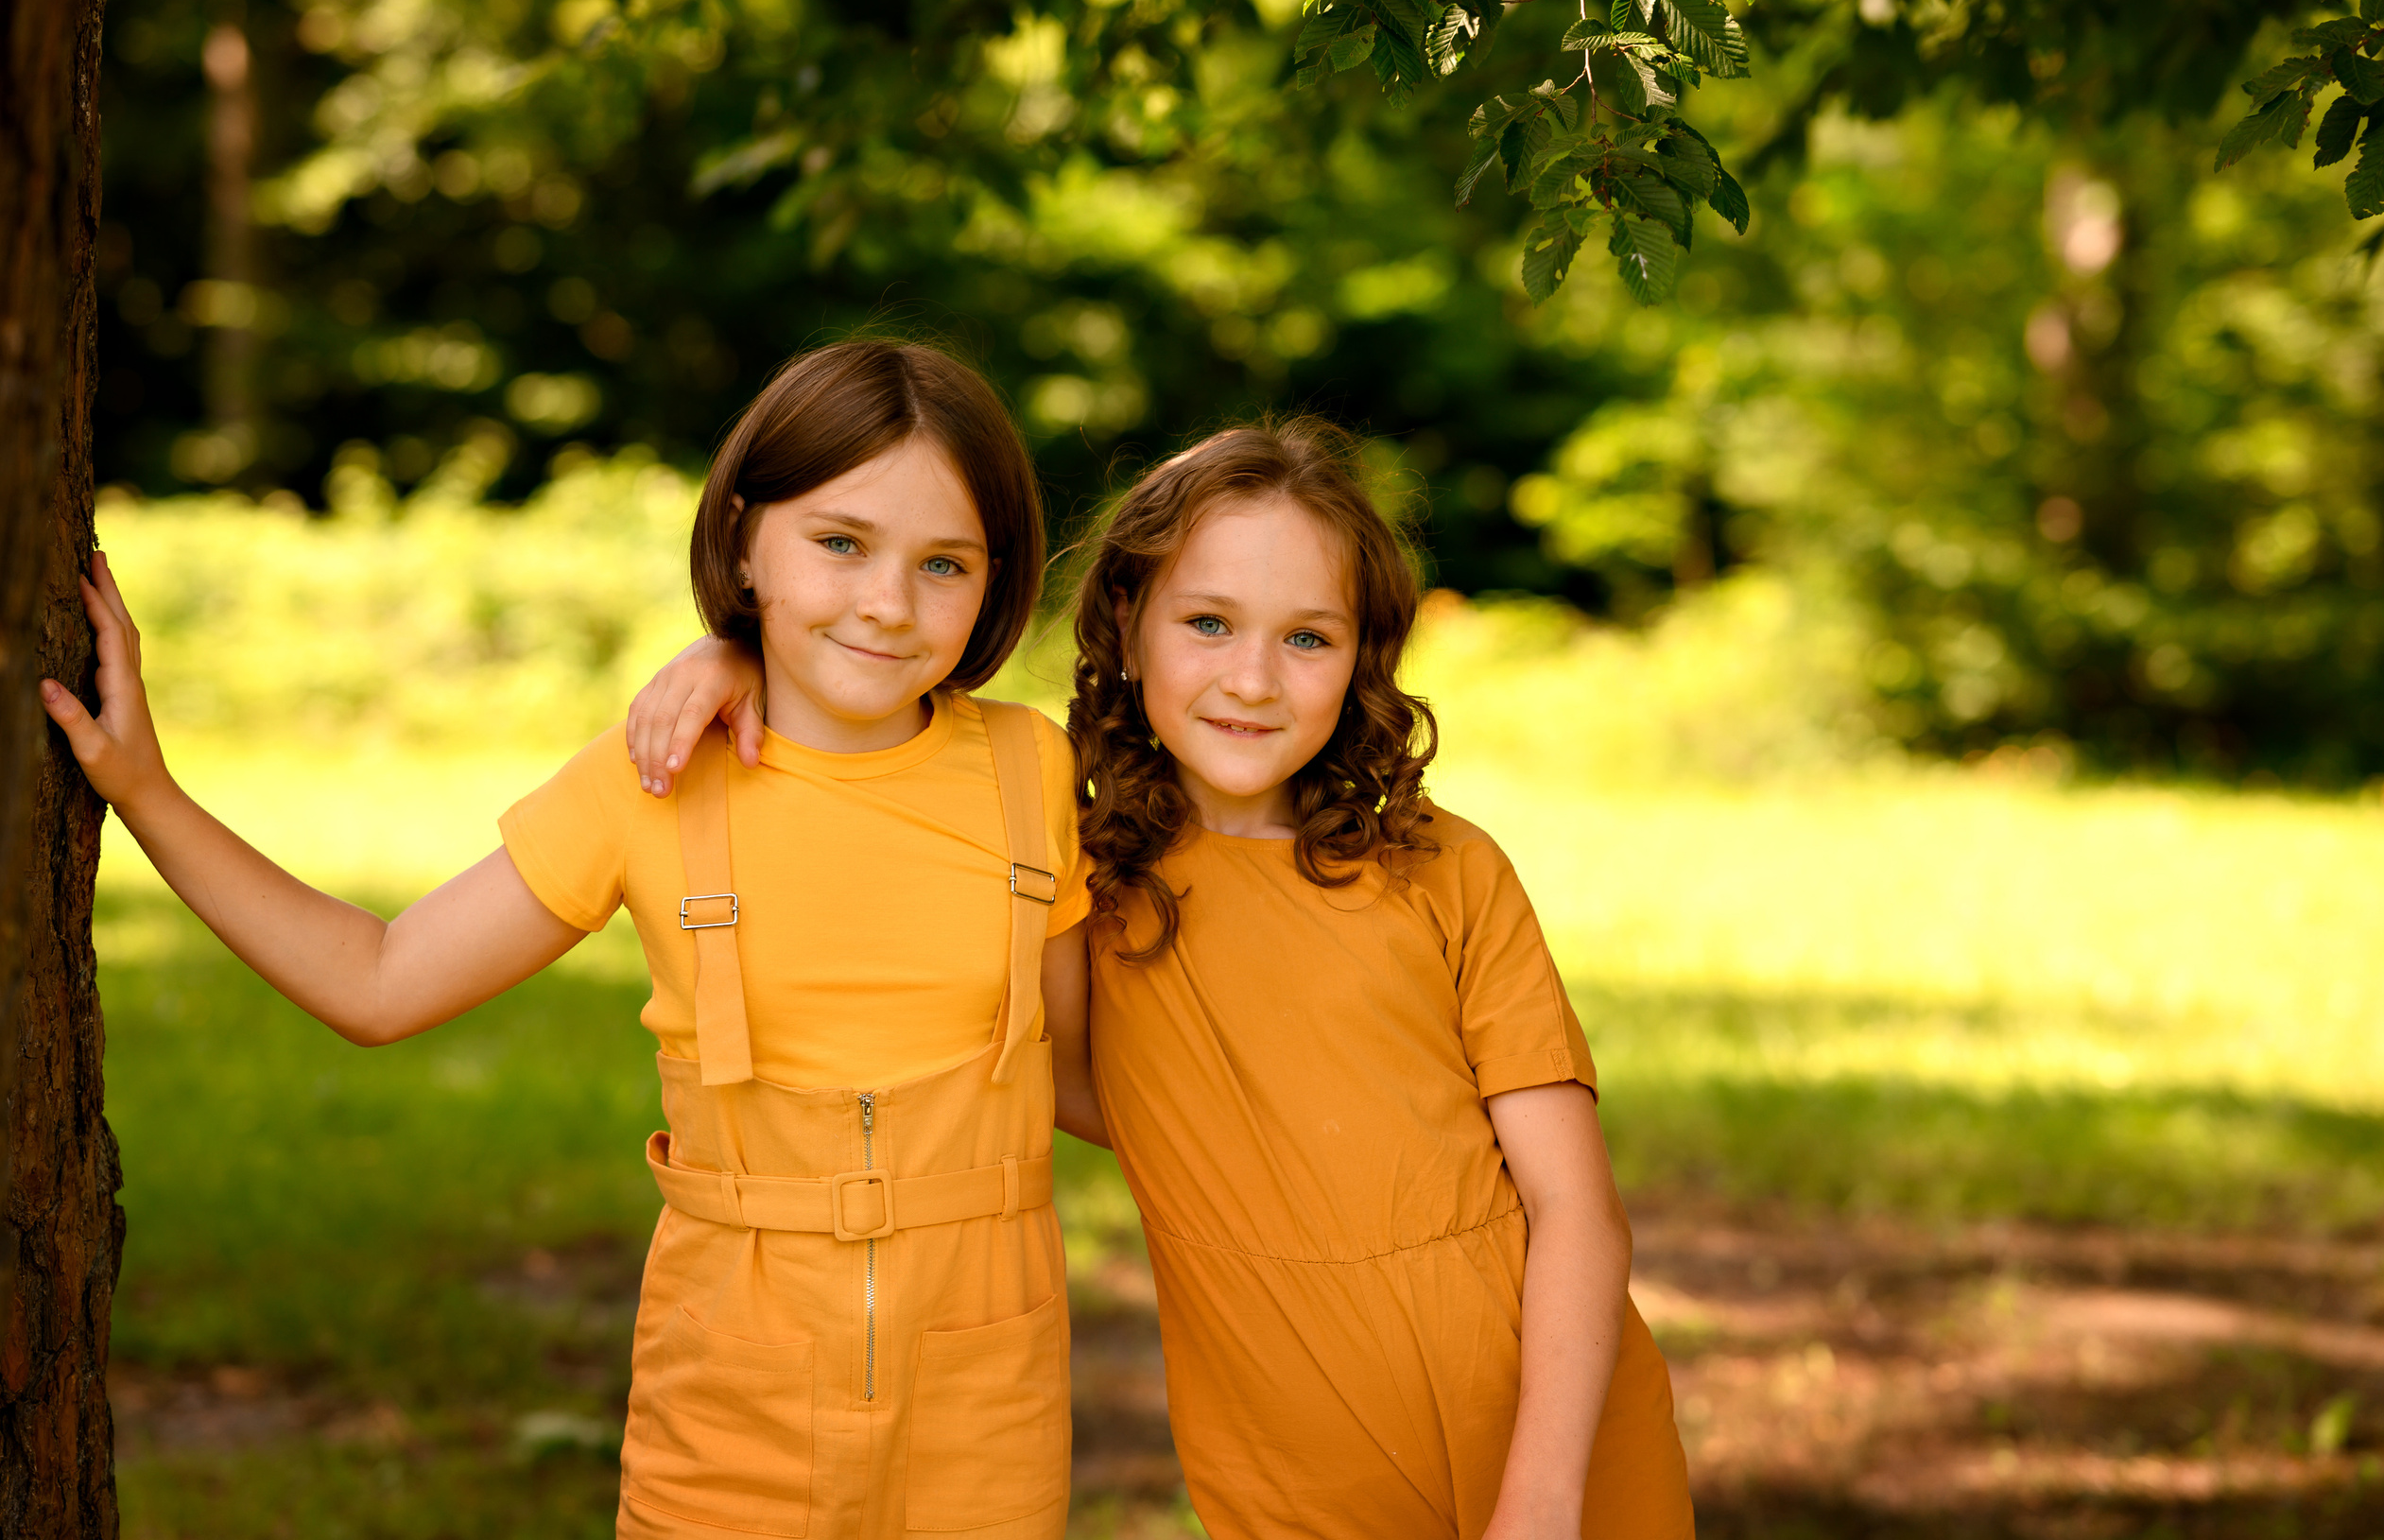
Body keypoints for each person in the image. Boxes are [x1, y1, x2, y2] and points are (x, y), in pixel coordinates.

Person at [43, 339, 1095, 1540]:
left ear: (995, 578)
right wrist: (145, 789)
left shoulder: (1032, 772)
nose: (887, 602)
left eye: (943, 563)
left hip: (988, 1400)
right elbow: (379, 984)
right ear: (746, 537)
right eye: (839, 543)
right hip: (733, 1392)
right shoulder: (650, 779)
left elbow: (1087, 1074)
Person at [626, 417, 1695, 1539]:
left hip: (1560, 1437)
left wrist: (1544, 1496)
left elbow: (1575, 1207)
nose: (1251, 679)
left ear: (1364, 656)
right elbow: (884, 785)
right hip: (1285, 1454)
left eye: (1308, 639)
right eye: (1207, 622)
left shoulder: (1445, 873)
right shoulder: (1061, 871)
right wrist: (738, 651)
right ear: (1127, 627)